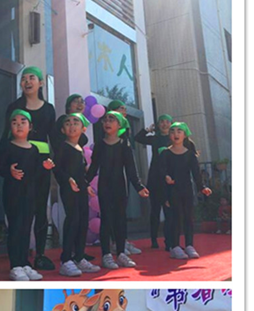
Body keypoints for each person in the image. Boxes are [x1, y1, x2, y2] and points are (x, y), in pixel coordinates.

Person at [2, 67, 57, 271]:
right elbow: (6, 136)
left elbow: (54, 138)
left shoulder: (49, 109)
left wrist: (56, 162)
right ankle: (19, 259)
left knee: (40, 208)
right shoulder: (14, 107)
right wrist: (4, 164)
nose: (27, 81)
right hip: (19, 159)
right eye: (23, 78)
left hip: (41, 163)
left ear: (40, 83)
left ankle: (40, 254)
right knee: (19, 210)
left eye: (32, 78)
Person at [87, 112, 149, 270]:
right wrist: (85, 182)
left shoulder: (124, 144)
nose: (107, 122)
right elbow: (94, 167)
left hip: (121, 186)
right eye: (105, 120)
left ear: (119, 125)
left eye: (112, 120)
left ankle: (121, 253)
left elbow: (131, 169)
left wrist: (139, 186)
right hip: (105, 186)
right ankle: (106, 255)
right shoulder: (100, 144)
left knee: (120, 220)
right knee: (106, 219)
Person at [0, 110, 55, 281]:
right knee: (15, 228)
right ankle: (15, 265)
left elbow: (36, 173)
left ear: (30, 127)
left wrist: (45, 167)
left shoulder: (34, 149)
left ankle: (24, 263)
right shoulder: (7, 146)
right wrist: (8, 171)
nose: (19, 125)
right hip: (13, 193)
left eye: (23, 122)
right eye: (14, 122)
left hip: (30, 194)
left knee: (26, 228)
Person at [54, 112, 101, 276]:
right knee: (73, 220)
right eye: (68, 123)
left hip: (81, 190)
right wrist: (68, 180)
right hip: (69, 189)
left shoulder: (79, 149)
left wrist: (86, 185)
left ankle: (79, 257)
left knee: (82, 221)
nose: (72, 125)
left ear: (83, 129)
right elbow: (57, 168)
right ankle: (66, 259)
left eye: (76, 122)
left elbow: (81, 172)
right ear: (62, 130)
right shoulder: (62, 147)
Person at [159, 122, 212, 260]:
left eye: (179, 131)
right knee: (175, 218)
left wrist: (202, 187)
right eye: (173, 131)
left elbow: (196, 174)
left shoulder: (190, 155)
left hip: (187, 190)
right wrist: (166, 177)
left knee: (188, 217)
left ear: (185, 135)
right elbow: (161, 171)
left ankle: (189, 245)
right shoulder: (165, 153)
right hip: (172, 190)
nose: (175, 134)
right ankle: (175, 246)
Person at [134, 114, 173, 249]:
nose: (164, 124)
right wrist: (147, 130)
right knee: (155, 210)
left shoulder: (174, 138)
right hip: (155, 178)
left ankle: (169, 241)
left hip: (169, 177)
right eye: (161, 122)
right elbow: (138, 138)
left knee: (169, 210)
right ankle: (154, 240)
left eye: (167, 122)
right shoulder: (155, 139)